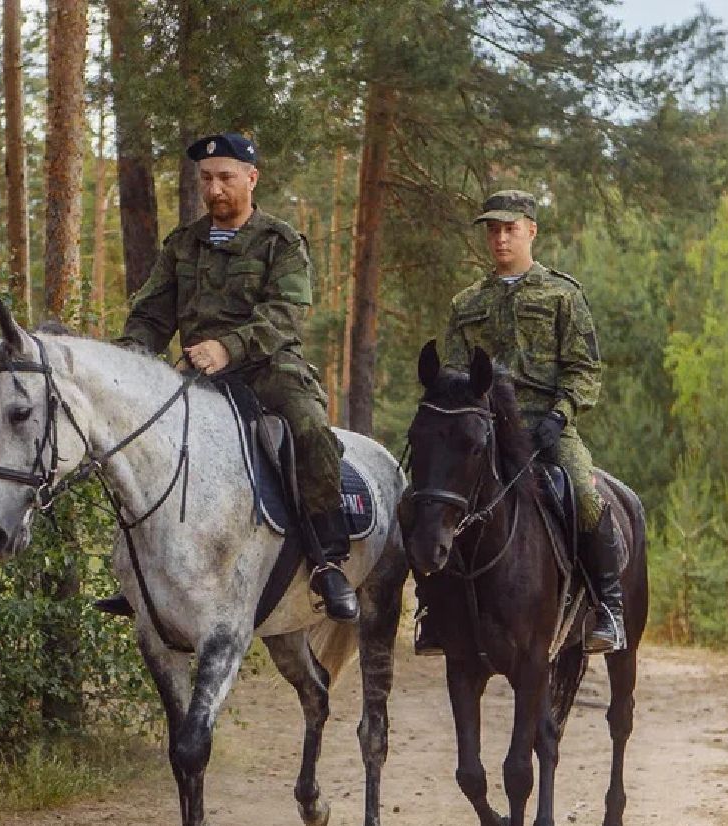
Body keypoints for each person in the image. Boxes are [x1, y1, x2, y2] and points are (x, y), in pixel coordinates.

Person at [94, 132, 359, 622]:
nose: (214, 190)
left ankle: (329, 559)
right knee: (140, 443)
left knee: (309, 429)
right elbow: (152, 317)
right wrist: (125, 368)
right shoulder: (182, 245)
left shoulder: (280, 242)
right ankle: (140, 572)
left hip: (268, 368)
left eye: (226, 178)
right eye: (206, 179)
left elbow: (286, 313)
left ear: (251, 179)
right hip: (197, 374)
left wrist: (228, 347)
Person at [416, 189, 625, 653]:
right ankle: (432, 608)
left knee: (585, 495)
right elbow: (451, 375)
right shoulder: (466, 303)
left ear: (531, 231)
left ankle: (607, 606)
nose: (500, 238)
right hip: (479, 429)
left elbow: (585, 370)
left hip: (544, 424)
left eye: (510, 229)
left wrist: (560, 415)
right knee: (422, 496)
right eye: (493, 230)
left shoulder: (561, 295)